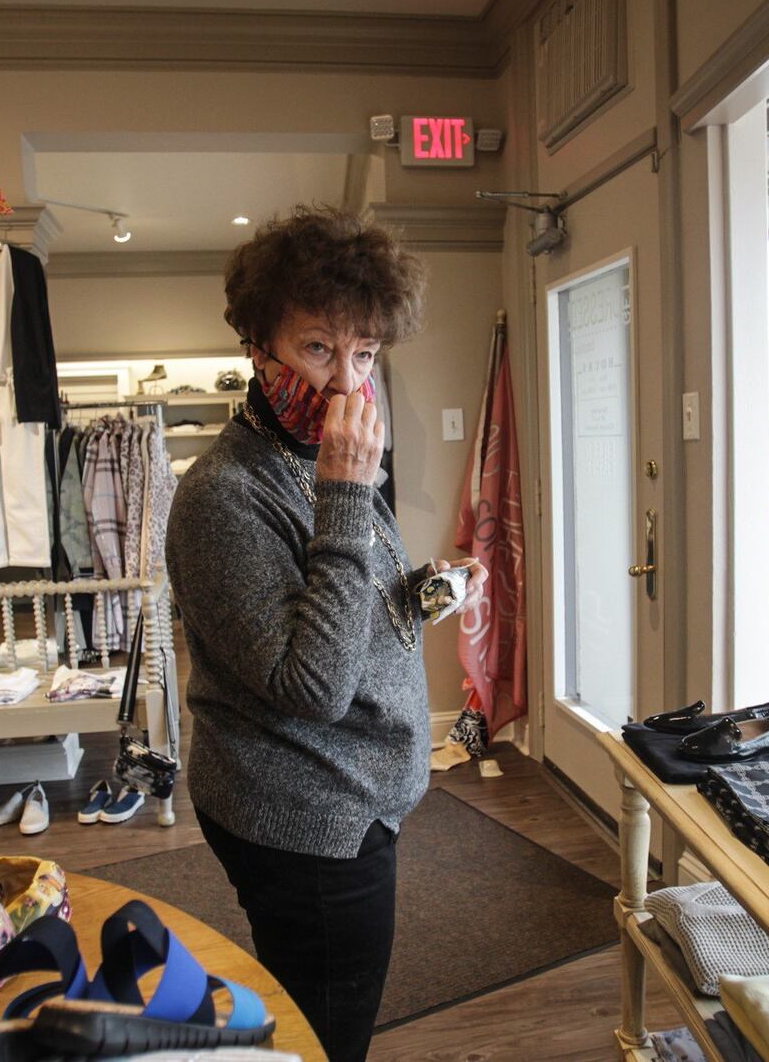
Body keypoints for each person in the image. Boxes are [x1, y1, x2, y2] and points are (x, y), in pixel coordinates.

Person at [165, 206, 486, 1061]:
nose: (347, 382)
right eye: (318, 348)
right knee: (326, 1038)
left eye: (366, 354)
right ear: (258, 344)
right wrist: (350, 493)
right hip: (304, 818)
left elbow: (342, 609)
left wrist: (424, 591)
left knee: (310, 1015)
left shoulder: (320, 460)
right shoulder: (222, 497)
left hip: (347, 796)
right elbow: (311, 686)